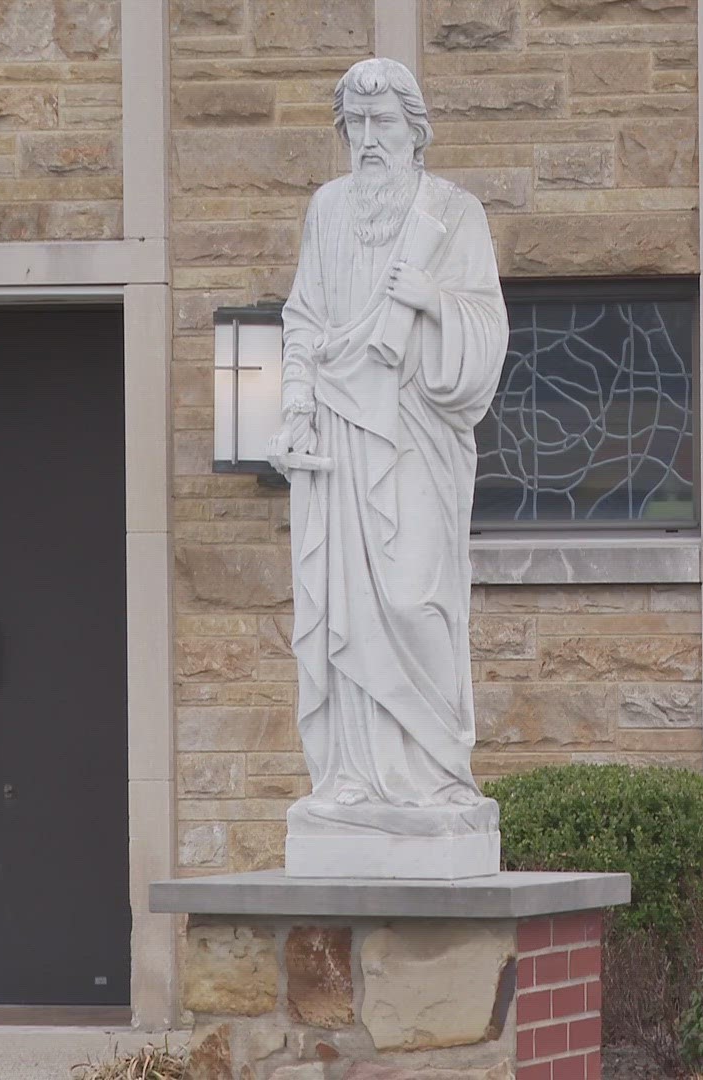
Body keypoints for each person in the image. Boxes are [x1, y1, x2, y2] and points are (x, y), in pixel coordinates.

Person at [264, 57, 508, 873]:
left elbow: (485, 332)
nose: (368, 141)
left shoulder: (453, 212)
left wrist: (430, 300)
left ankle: (435, 775)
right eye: (356, 126)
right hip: (337, 428)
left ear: (415, 130)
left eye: (383, 125)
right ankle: (351, 778)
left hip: (415, 433)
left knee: (412, 599)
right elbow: (302, 315)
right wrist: (295, 404)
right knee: (342, 603)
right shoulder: (327, 210)